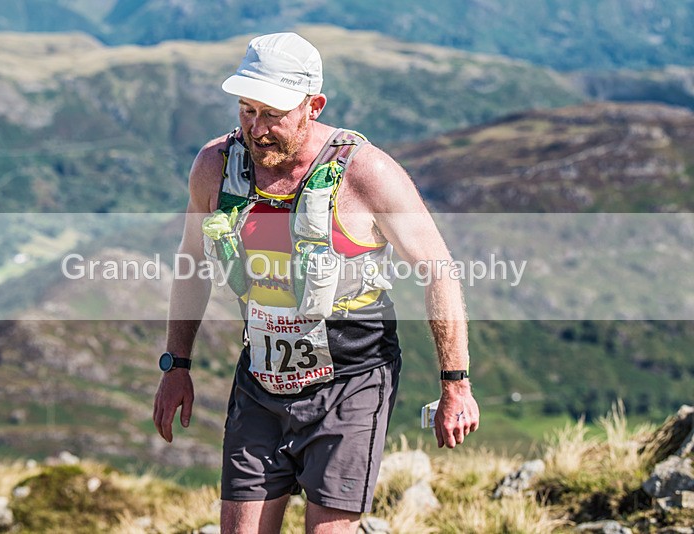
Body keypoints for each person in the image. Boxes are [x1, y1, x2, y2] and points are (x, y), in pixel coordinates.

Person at [153, 32, 480, 534]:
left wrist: (455, 383)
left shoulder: (366, 173)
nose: (257, 129)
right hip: (260, 379)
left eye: (273, 114)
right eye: (246, 110)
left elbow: (439, 269)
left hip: (352, 380)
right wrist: (177, 364)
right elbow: (192, 260)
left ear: (313, 106)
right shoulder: (215, 167)